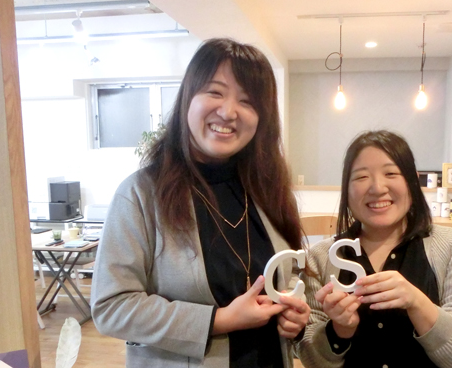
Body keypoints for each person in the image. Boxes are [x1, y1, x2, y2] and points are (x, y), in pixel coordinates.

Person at [91, 38, 310, 368]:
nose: (229, 112)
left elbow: (286, 277)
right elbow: (111, 306)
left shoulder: (268, 191)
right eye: (215, 92)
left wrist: (293, 316)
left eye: (247, 101)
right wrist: (217, 321)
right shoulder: (141, 194)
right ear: (188, 98)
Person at [295, 130, 452, 368]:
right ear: (346, 189)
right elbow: (311, 359)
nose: (377, 188)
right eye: (361, 177)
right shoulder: (320, 258)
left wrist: (417, 302)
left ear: (412, 182)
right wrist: (339, 330)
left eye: (391, 173)